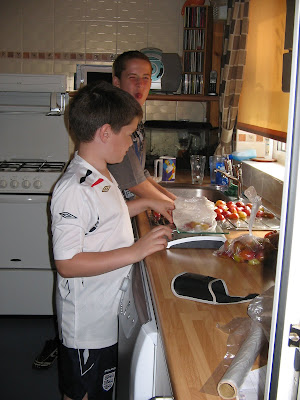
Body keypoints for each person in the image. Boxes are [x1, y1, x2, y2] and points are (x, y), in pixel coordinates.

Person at [32, 50, 176, 370]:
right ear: (106, 133)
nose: (129, 145)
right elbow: (67, 264)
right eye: (127, 136)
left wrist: (148, 202)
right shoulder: (73, 189)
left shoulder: (100, 173)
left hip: (105, 310)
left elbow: (109, 214)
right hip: (87, 325)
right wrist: (136, 251)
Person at [108, 50, 177, 201]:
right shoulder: (115, 121)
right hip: (112, 214)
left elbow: (140, 174)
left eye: (146, 78)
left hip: (127, 209)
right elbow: (135, 184)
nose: (140, 84)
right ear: (117, 82)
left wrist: (173, 199)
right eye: (132, 77)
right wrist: (175, 206)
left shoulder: (135, 120)